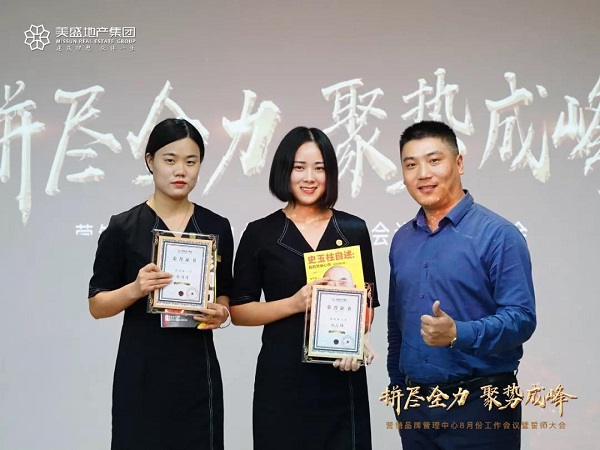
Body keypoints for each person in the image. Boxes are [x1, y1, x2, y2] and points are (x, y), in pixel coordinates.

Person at [386, 120, 536, 449]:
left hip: (482, 406)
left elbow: (522, 318)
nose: (423, 174)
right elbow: (397, 327)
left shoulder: (499, 235)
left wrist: (458, 334)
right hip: (415, 410)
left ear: (459, 163)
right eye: (411, 165)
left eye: (434, 160)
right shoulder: (401, 240)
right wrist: (398, 394)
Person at [88, 118, 233, 450]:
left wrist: (221, 312)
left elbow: (225, 291)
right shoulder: (123, 227)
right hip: (141, 370)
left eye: (191, 162)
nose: (180, 170)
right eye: (170, 160)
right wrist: (136, 288)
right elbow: (97, 305)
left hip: (197, 370)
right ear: (150, 161)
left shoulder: (216, 226)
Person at [231, 126, 378, 450]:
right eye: (299, 167)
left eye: (319, 168)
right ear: (284, 170)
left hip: (342, 378)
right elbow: (239, 311)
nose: (309, 177)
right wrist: (294, 304)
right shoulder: (260, 232)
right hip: (282, 379)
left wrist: (360, 341)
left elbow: (367, 304)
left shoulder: (353, 229)